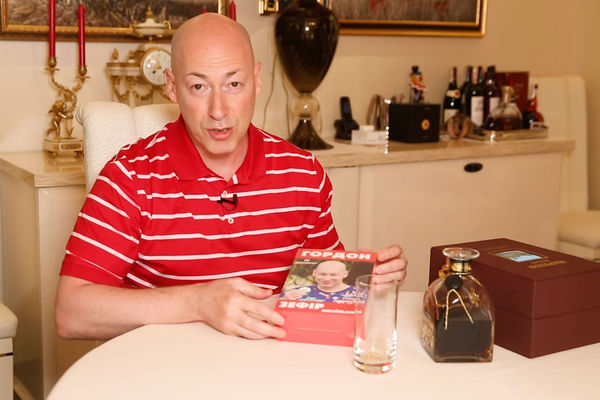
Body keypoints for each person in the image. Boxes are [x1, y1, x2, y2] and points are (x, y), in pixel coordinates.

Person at [55, 13, 407, 342]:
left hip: (273, 366)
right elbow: (71, 313)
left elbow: (319, 287)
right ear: (172, 87)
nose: (219, 111)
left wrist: (358, 280)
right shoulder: (129, 177)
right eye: (199, 87)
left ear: (257, 80)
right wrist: (197, 303)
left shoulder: (303, 173)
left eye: (234, 84)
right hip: (168, 370)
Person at [282, 260, 356, 303]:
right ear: (314, 273)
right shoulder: (295, 293)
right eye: (322, 274)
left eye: (333, 275)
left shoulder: (358, 293)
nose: (327, 278)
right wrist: (285, 300)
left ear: (345, 274)